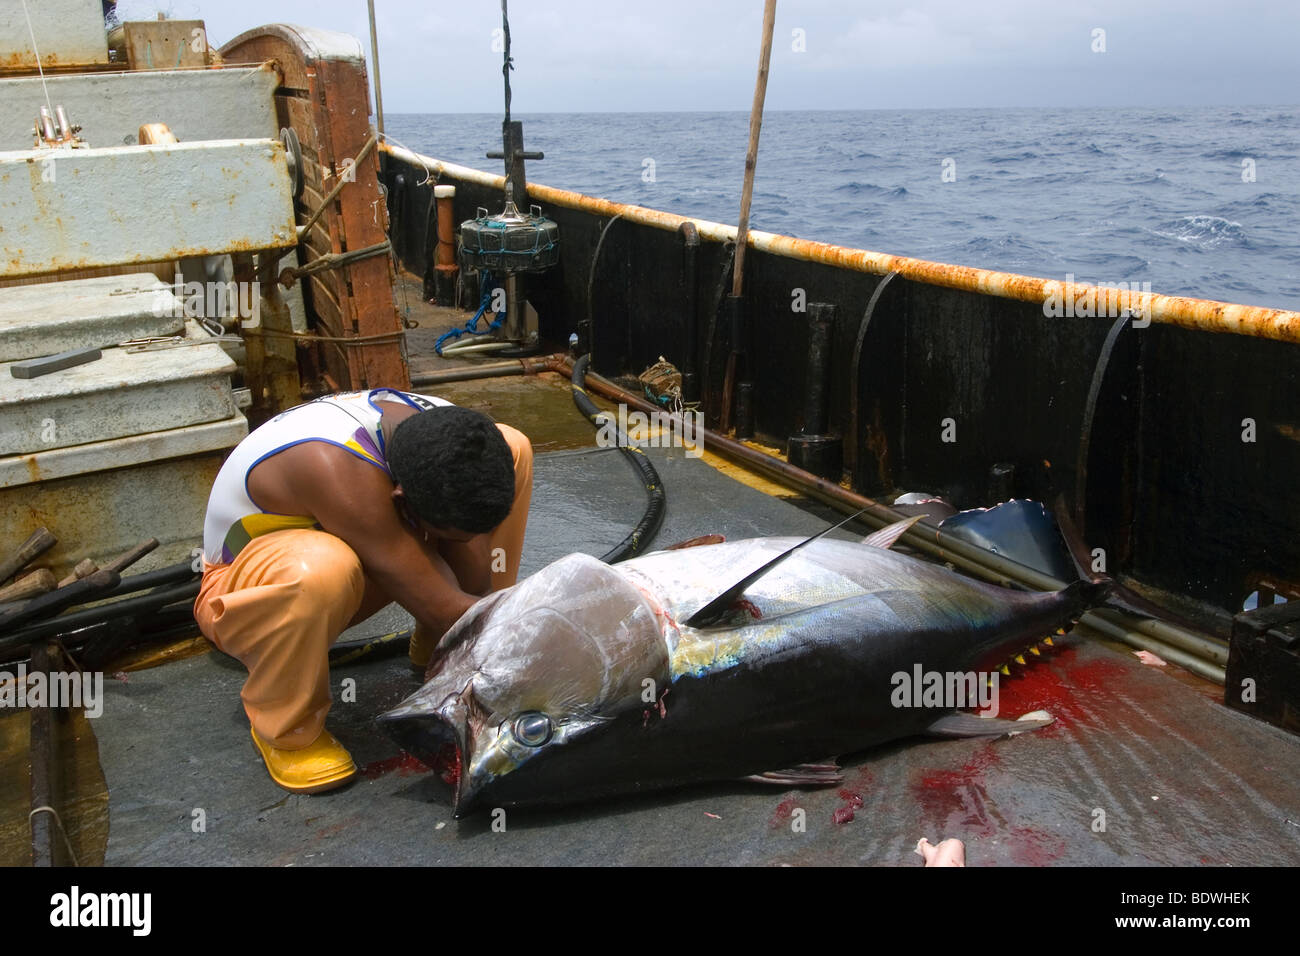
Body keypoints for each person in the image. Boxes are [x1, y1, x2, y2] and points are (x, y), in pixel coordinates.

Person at [193, 388, 532, 794]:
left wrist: (486, 619)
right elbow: (442, 603)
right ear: (400, 501)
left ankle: (440, 648)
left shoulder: (453, 433)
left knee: (514, 444)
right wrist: (537, 650)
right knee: (321, 566)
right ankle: (286, 730)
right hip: (247, 595)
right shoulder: (332, 466)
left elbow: (472, 577)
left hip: (365, 544)